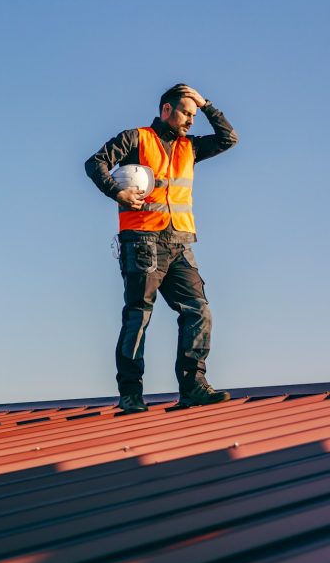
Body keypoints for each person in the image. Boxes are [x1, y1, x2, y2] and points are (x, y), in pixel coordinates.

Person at [84, 84, 238, 413]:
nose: (191, 120)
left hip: (180, 242)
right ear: (166, 111)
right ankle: (130, 394)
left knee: (199, 311)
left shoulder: (190, 147)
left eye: (194, 115)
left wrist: (206, 103)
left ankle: (193, 387)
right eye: (186, 112)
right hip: (142, 241)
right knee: (138, 315)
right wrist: (117, 192)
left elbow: (228, 139)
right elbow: (94, 162)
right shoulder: (136, 139)